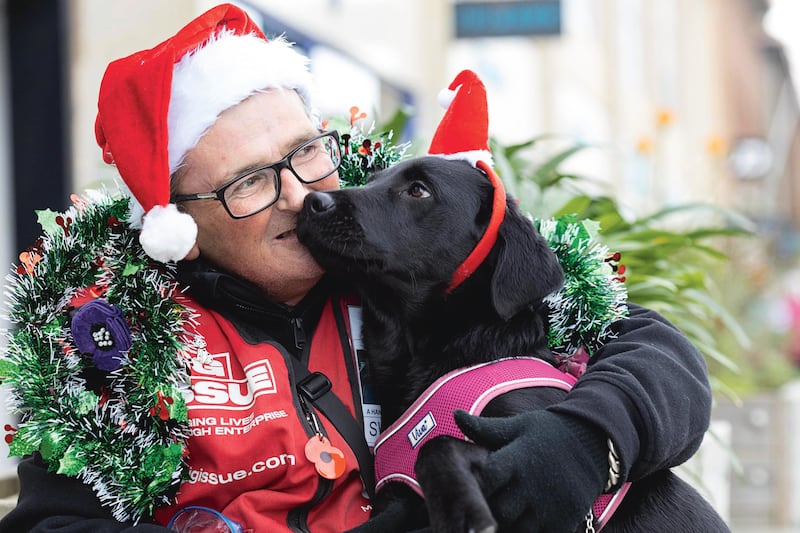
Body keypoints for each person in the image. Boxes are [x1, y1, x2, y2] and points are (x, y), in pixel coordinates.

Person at [0, 4, 712, 532]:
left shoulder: (398, 251)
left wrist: (591, 439)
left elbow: (656, 352)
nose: (302, 197)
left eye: (307, 152)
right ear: (180, 227)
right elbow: (54, 524)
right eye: (248, 183)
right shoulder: (113, 344)